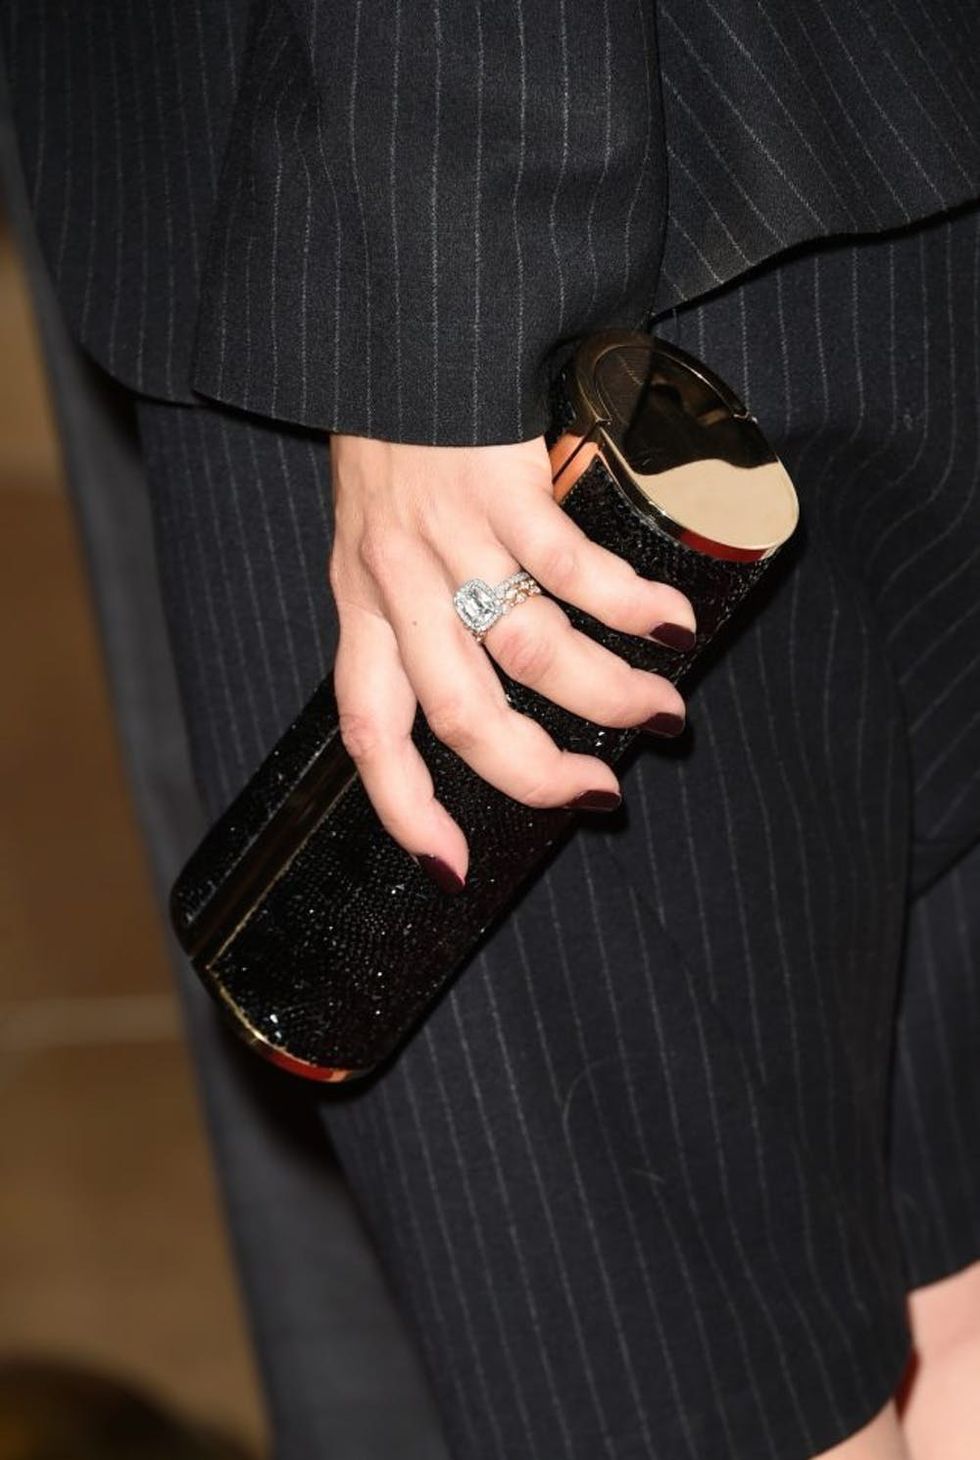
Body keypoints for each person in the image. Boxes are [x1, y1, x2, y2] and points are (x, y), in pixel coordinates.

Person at [2, 3, 979, 1457]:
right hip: (892, 128)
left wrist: (442, 301)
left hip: (480, 287)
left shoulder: (442, 295)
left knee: (694, 1399)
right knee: (946, 1295)